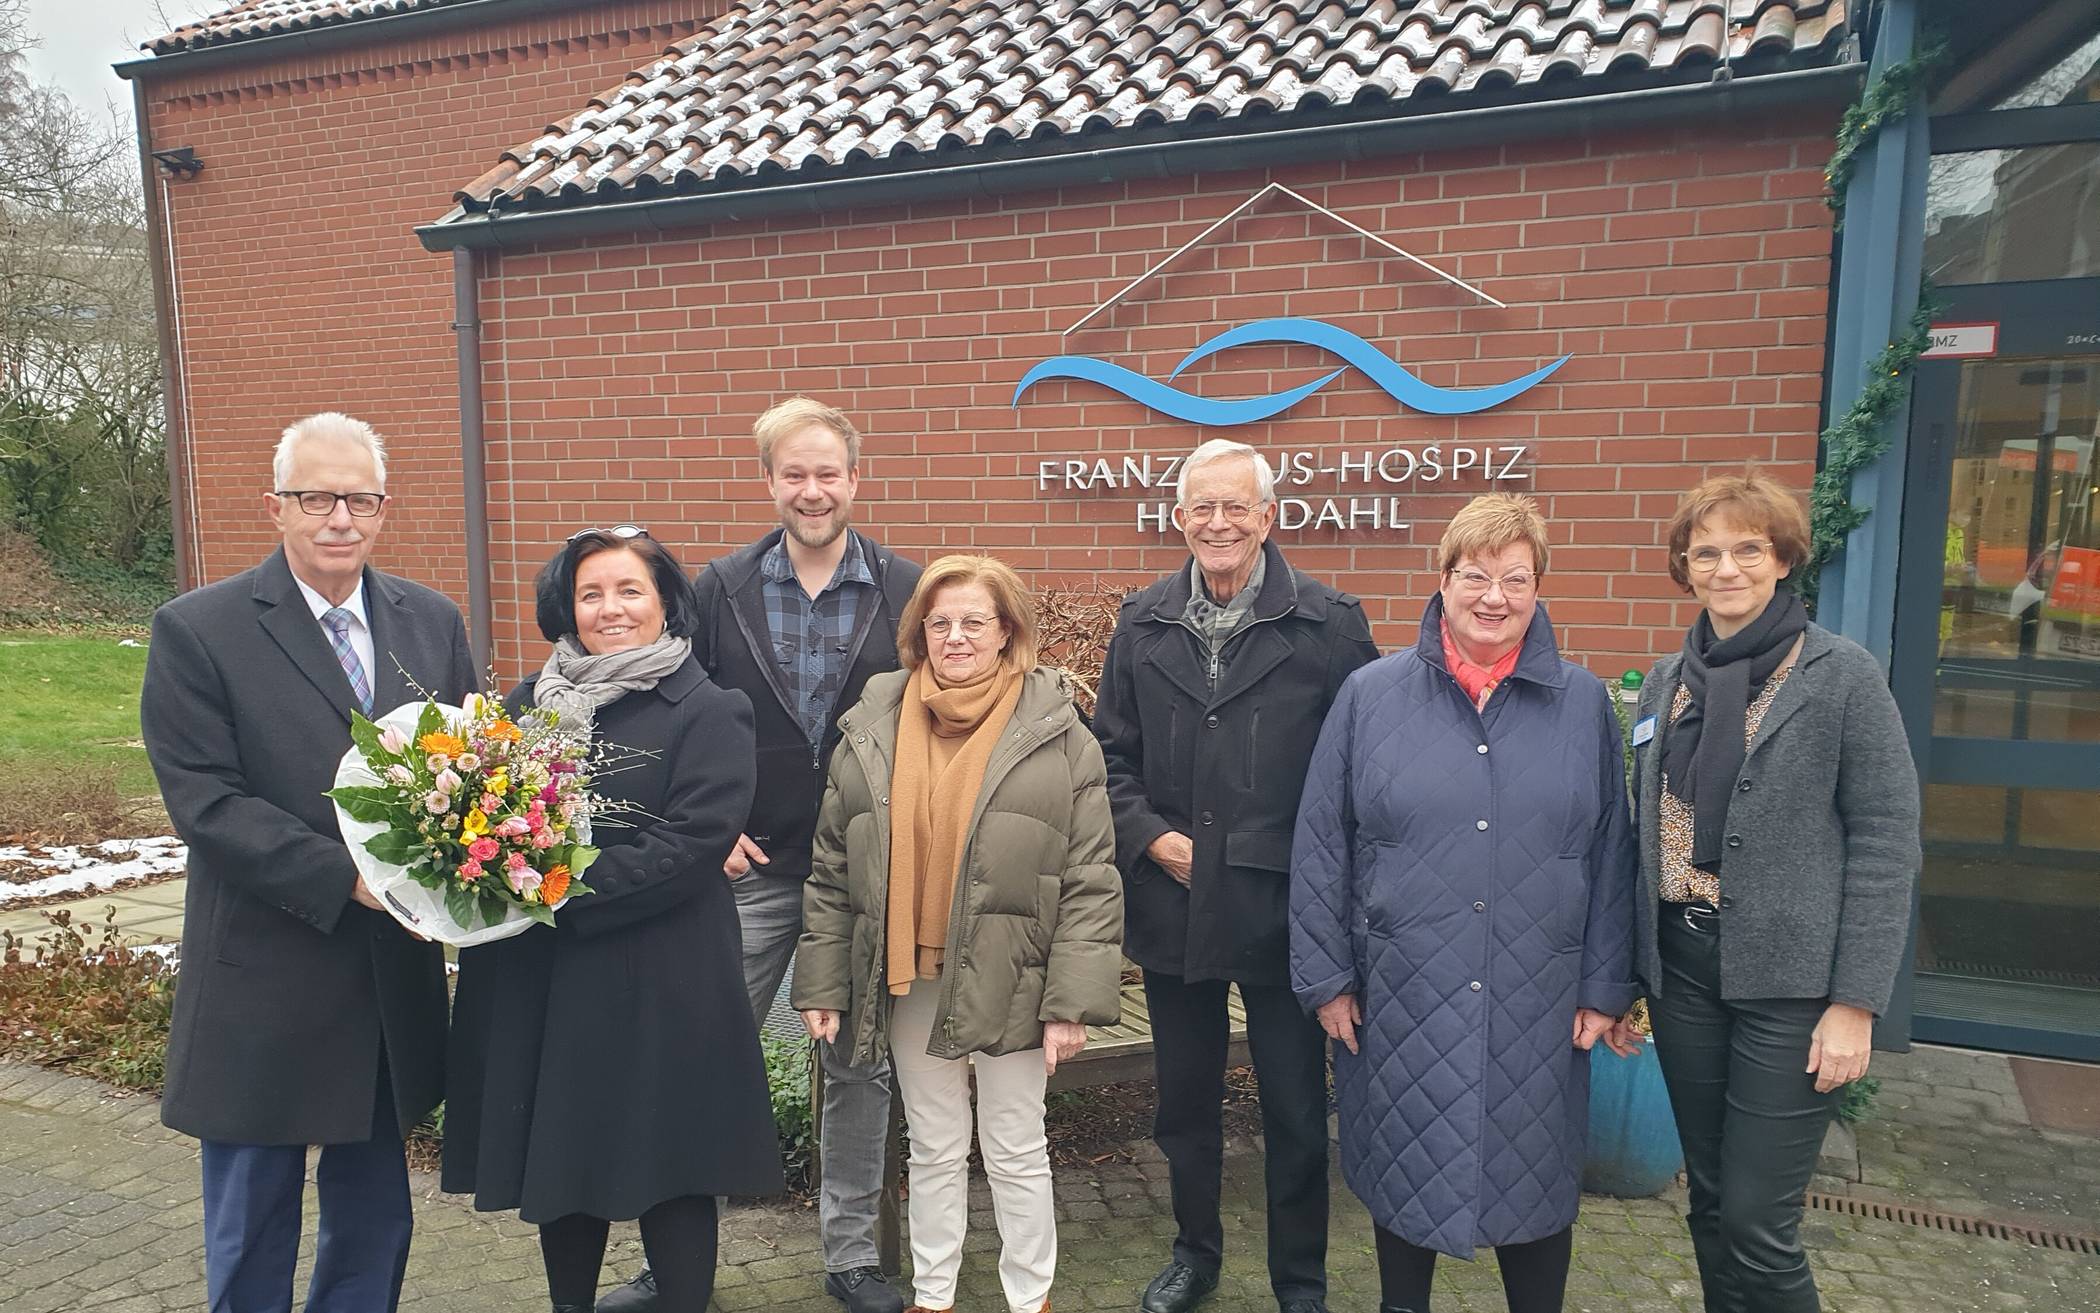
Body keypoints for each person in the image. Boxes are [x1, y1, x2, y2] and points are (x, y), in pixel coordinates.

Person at [139, 412, 479, 1313]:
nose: (339, 517)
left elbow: (469, 767)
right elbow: (206, 800)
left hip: (382, 975)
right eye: (316, 496)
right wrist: (347, 877)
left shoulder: (431, 621)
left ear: (382, 509)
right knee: (253, 1222)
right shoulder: (198, 629)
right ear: (276, 507)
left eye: (359, 498)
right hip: (267, 967)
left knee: (375, 1215)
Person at [591, 397, 922, 1313]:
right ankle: (674, 1261)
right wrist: (706, 820)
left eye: (828, 473)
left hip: (867, 874)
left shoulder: (907, 587)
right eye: (794, 473)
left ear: (855, 479)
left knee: (860, 1065)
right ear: (768, 480)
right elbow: (671, 710)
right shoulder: (717, 588)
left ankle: (851, 1257)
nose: (811, 491)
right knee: (697, 1052)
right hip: (747, 867)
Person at [1289, 493, 1638, 1313]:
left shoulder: (1583, 704)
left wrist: (1605, 984)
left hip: (1540, 995)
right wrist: (1326, 975)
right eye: (1474, 574)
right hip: (1400, 991)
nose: (1494, 596)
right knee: (1407, 1161)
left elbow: (1613, 851)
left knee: (1536, 1175)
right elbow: (1320, 842)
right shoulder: (1370, 696)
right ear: (1442, 579)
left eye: (1515, 578)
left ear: (1539, 586)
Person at [443, 525, 782, 1313]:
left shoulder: (709, 707)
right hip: (545, 979)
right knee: (563, 1157)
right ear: (567, 604)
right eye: (592, 592)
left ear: (665, 601)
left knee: (675, 1161)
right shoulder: (525, 707)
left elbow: (695, 839)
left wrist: (554, 892)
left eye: (631, 589)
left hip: (664, 973)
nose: (611, 607)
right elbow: (487, 822)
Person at [1617, 473, 1920, 1313]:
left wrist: (1856, 1000)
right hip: (1684, 972)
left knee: (1759, 1219)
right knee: (1710, 1202)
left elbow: (1887, 842)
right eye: (1705, 551)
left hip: (1793, 986)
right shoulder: (1671, 677)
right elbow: (1640, 833)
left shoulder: (1842, 677)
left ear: (1782, 557)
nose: (1726, 567)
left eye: (1748, 548)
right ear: (1684, 563)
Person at [794, 554, 1124, 1313]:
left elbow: (1091, 877)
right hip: (909, 970)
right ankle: (934, 1296)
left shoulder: (1059, 732)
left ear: (1007, 631)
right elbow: (831, 868)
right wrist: (819, 981)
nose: (956, 636)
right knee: (934, 1144)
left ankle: (1028, 1296)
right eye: (940, 622)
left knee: (1014, 1143)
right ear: (918, 631)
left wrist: (1070, 1000)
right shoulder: (873, 725)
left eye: (975, 621)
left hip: (1017, 972)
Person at [1092, 439, 1378, 1313]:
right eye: (1200, 508)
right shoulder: (1141, 620)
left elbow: (1357, 773)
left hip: (1286, 907)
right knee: (1185, 1103)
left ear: (1268, 516)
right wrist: (1151, 838)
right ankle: (1195, 1252)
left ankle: (1300, 1279)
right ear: (1179, 519)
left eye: (1234, 507)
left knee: (1295, 1108)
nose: (1217, 523)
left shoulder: (1329, 624)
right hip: (1174, 904)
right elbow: (1108, 758)